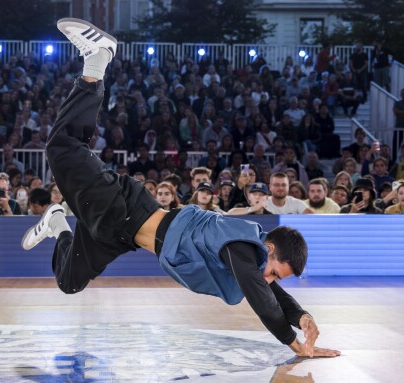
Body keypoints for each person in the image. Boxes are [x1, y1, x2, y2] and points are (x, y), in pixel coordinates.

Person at [22, 18, 339, 358]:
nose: (270, 278)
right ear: (269, 247)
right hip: (123, 207)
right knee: (63, 147)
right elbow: (262, 297)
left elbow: (270, 290)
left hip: (120, 235)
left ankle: (57, 223)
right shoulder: (243, 247)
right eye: (274, 270)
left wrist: (302, 317)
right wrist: (294, 344)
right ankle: (97, 61)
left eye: (277, 277)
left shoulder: (254, 260)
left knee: (69, 280)